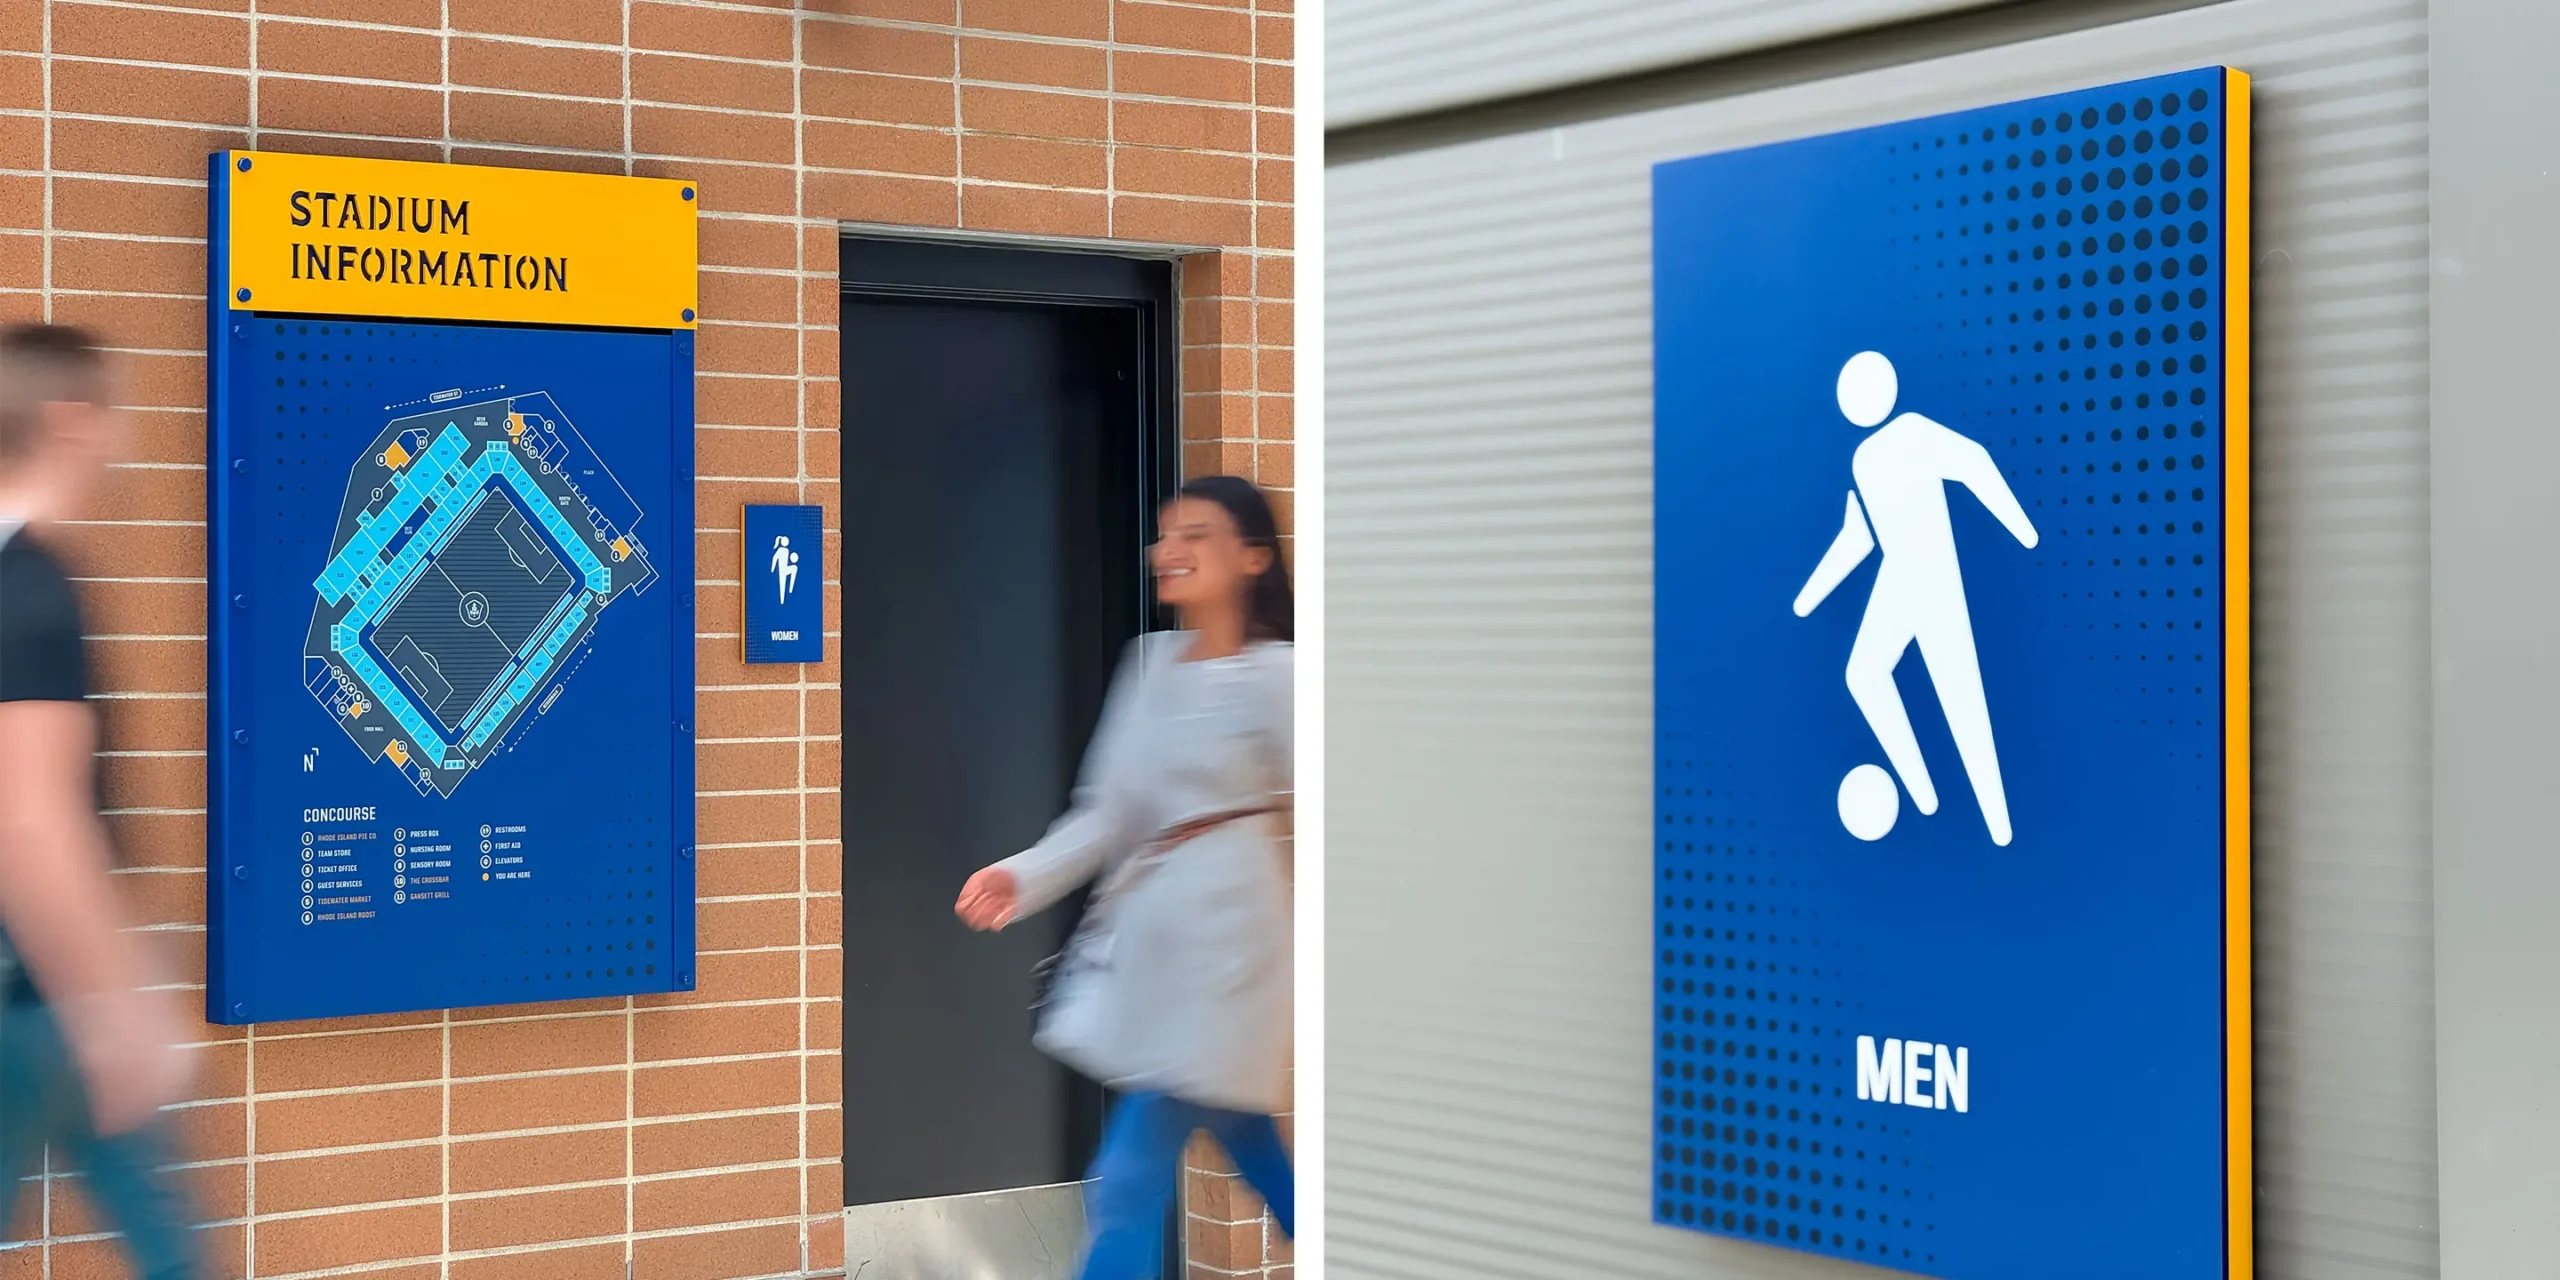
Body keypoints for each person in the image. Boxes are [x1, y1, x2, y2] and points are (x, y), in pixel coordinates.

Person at [954, 474, 1294, 1280]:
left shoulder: (1283, 676)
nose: (1166, 551)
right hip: (1158, 953)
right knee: (1249, 1142)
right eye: (1165, 534)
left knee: (1130, 1171)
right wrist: (1022, 876)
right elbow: (1107, 814)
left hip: (1238, 956)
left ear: (1252, 557)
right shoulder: (1149, 666)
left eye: (1195, 535)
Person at [0, 323, 201, 1279]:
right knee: (169, 1251)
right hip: (34, 1001)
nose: (126, 436)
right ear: (71, 423)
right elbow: (31, 815)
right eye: (113, 410)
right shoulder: (32, 586)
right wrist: (115, 1006)